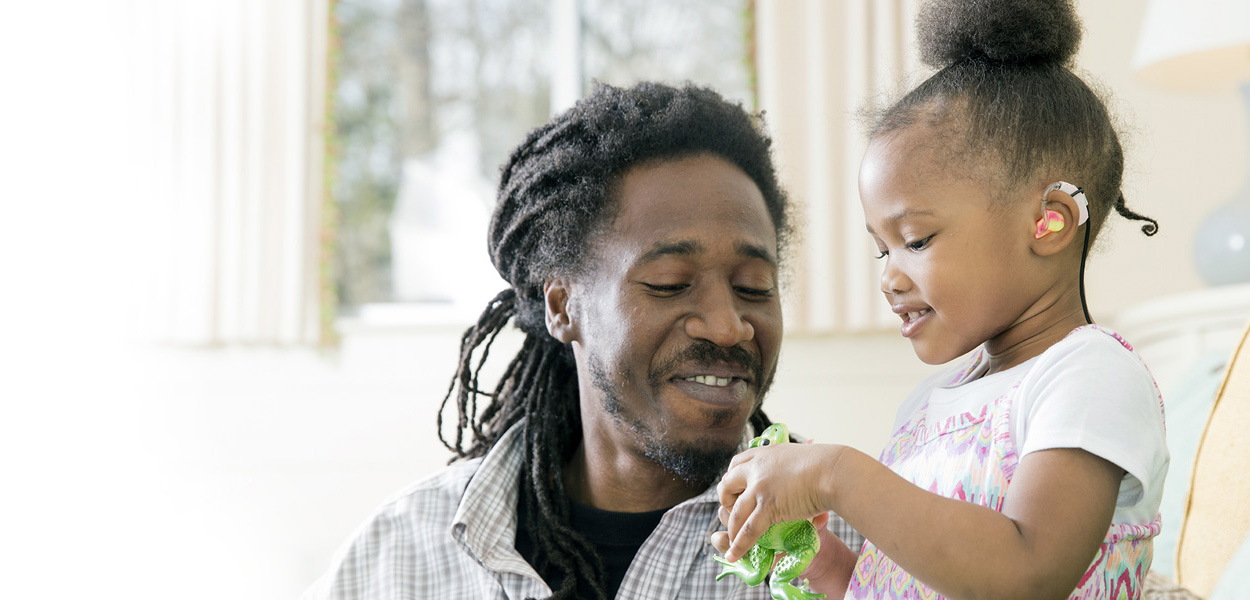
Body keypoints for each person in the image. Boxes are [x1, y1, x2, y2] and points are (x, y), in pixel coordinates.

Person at [304, 81, 863, 600]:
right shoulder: (399, 558)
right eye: (669, 284)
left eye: (753, 287)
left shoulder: (855, 544)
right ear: (562, 306)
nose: (726, 326)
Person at [711, 1, 1169, 598]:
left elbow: (1027, 571)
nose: (889, 277)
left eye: (916, 240)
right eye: (882, 250)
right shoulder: (927, 408)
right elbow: (915, 582)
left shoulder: (1089, 376)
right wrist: (825, 563)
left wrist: (835, 474)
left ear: (1049, 223)